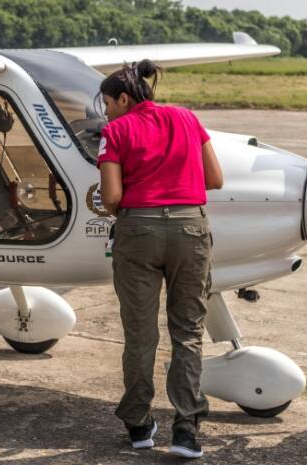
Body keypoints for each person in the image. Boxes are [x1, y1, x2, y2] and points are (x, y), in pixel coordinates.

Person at [97, 59, 223, 459]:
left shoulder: (115, 131)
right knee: (187, 331)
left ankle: (138, 422)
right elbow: (215, 178)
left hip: (139, 231)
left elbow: (112, 197)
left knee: (140, 332)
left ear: (123, 97)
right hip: (191, 229)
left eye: (107, 103)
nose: (106, 112)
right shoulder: (187, 118)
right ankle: (186, 429)